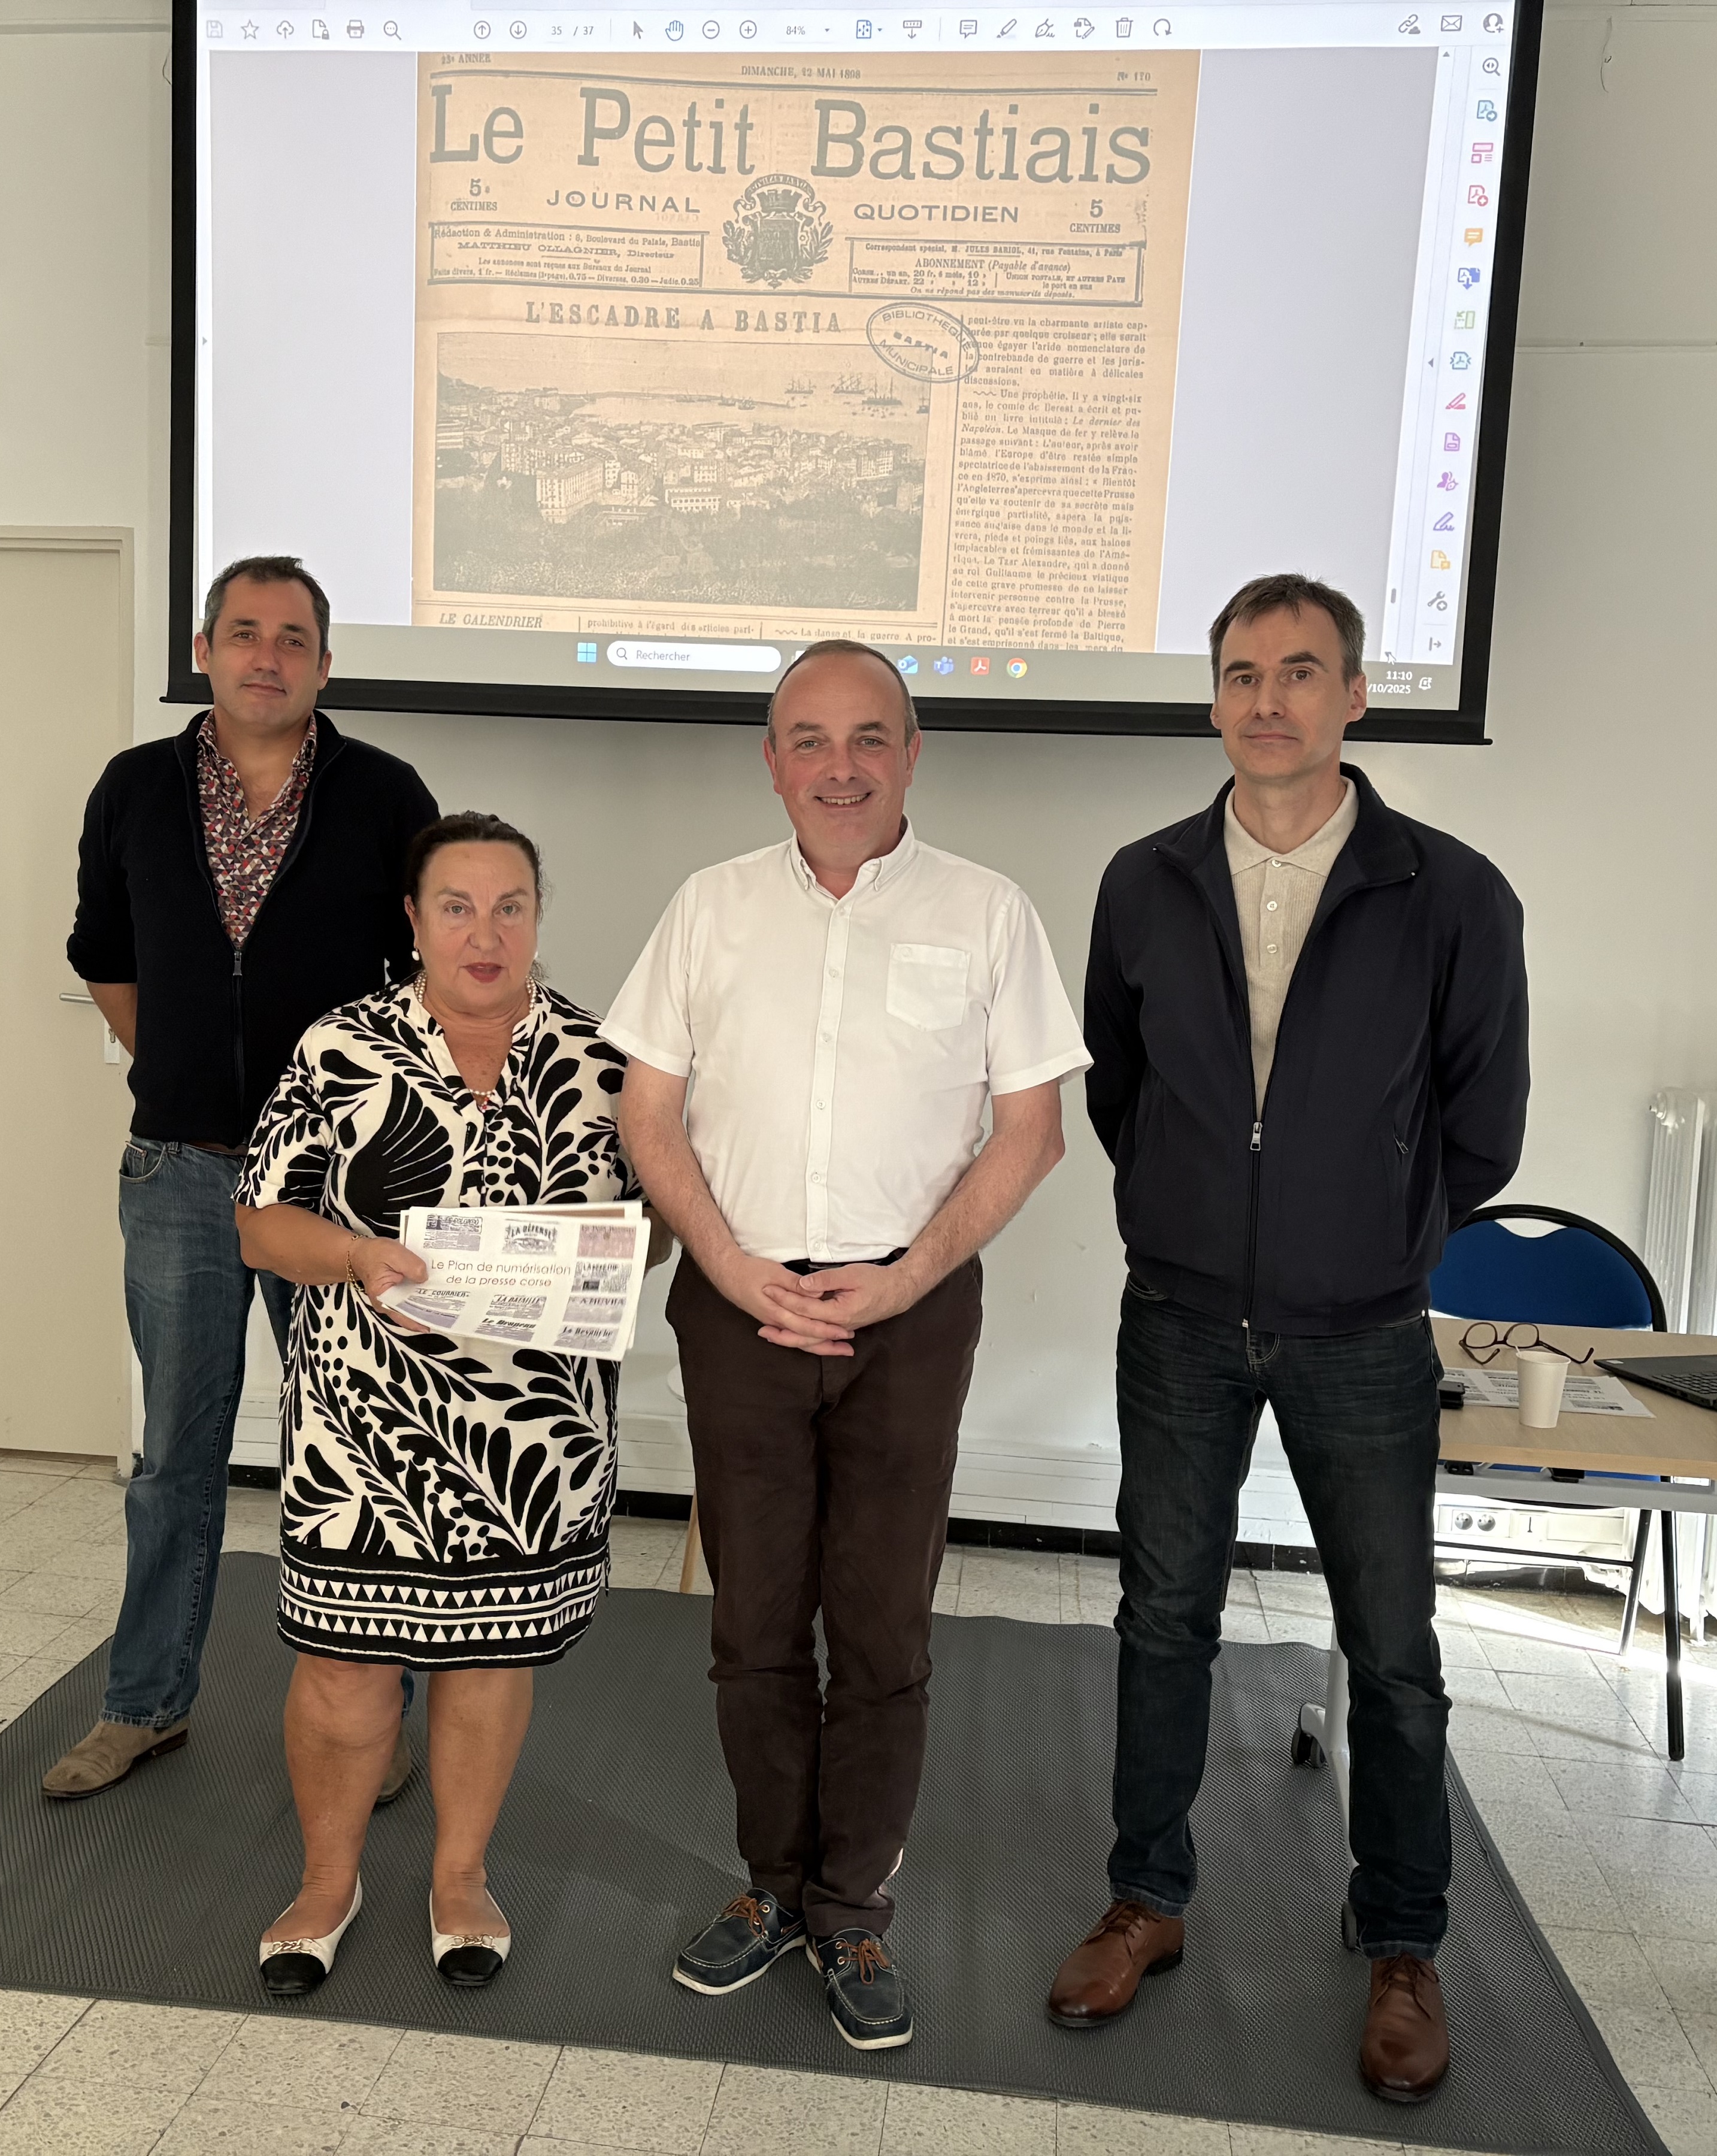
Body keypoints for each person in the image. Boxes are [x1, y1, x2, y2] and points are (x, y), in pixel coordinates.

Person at [1053, 573, 1528, 2101]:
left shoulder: (1451, 890)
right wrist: (1208, 1211)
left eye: (1302, 672)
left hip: (1363, 1330)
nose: (1270, 700)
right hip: (1181, 1315)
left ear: (1355, 697)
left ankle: (1401, 1942)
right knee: (1160, 1620)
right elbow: (1119, 1092)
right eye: (1244, 673)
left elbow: (1486, 1124)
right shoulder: (1144, 879)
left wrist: (1361, 1224)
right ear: (1214, 700)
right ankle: (1148, 1899)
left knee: (1393, 1654)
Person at [606, 641, 1086, 2052]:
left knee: (880, 1627)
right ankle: (769, 1889)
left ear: (913, 752)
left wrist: (902, 1278)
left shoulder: (988, 914)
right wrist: (735, 1262)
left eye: (869, 736)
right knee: (754, 1625)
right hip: (739, 1303)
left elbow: (1031, 1133)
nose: (839, 765)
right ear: (770, 759)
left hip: (912, 1314)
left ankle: (853, 1907)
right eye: (807, 738)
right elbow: (650, 1115)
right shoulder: (708, 909)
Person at [47, 556, 438, 1803]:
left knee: (358, 1454)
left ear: (326, 666)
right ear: (204, 649)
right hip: (178, 1174)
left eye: (296, 638)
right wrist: (168, 1062)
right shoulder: (133, 788)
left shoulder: (384, 795)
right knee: (176, 1455)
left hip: (334, 1191)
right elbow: (105, 954)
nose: (269, 656)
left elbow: (423, 983)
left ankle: (372, 1718)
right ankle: (145, 1704)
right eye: (245, 632)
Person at [231, 812, 644, 1994]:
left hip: (532, 1440)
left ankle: (461, 1879)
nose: (485, 931)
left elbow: (649, 1238)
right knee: (345, 1667)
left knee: (485, 1661)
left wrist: (598, 1255)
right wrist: (359, 1257)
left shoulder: (599, 1055)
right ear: (411, 920)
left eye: (510, 905)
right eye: (456, 906)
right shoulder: (340, 1047)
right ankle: (327, 1881)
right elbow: (261, 1223)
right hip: (362, 1428)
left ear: (538, 917)